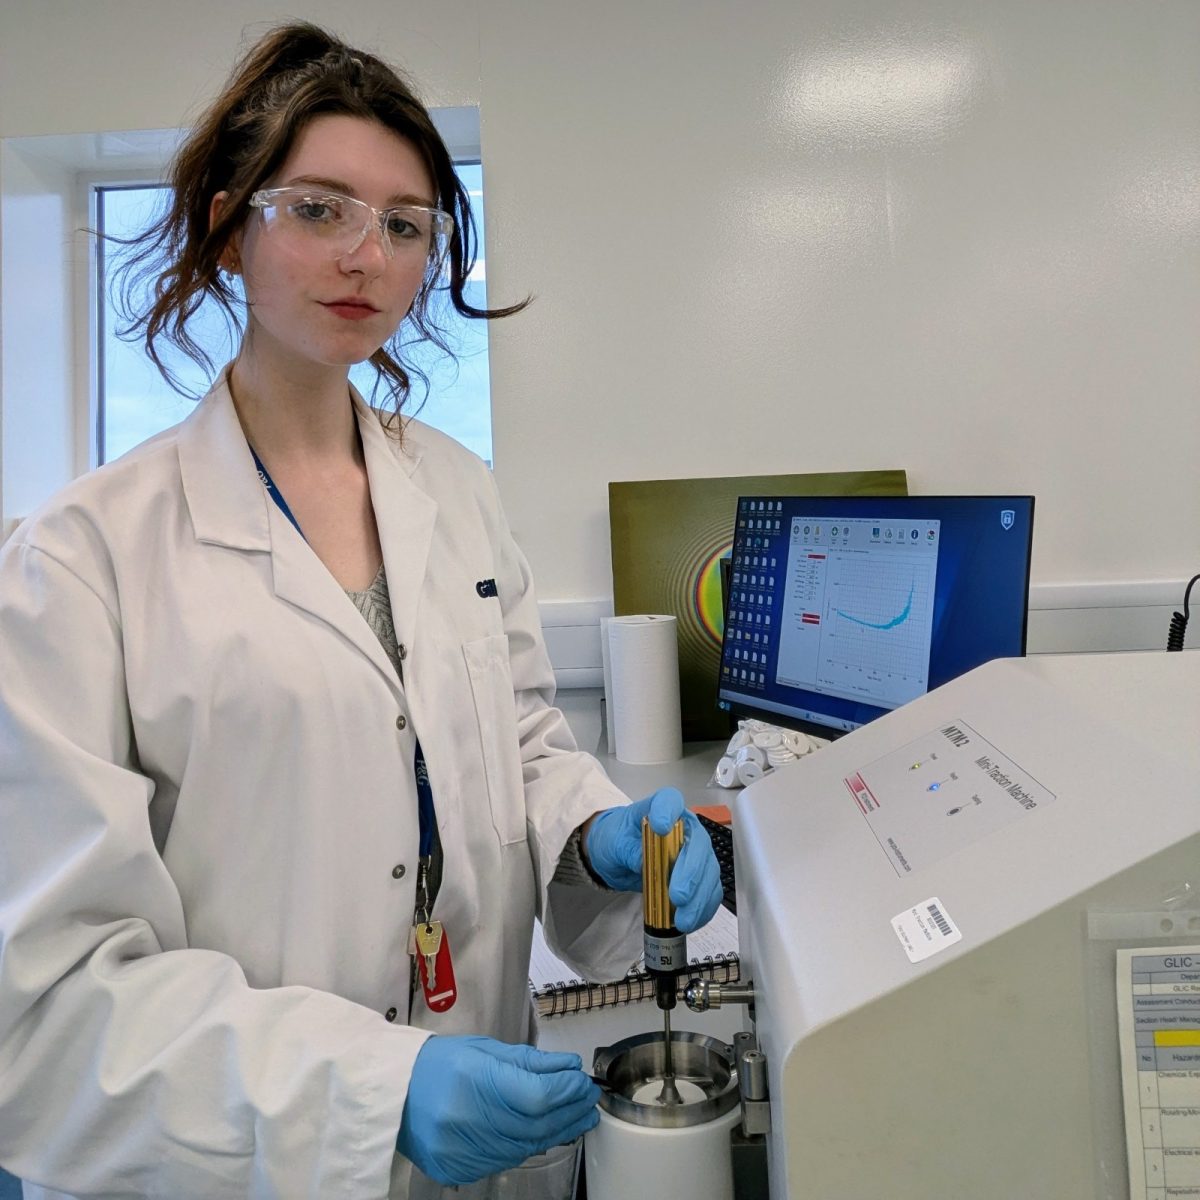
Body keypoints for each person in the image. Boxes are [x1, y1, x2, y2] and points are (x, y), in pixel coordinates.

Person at [0, 22, 722, 1200]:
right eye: (319, 209)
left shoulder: (450, 488)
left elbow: (520, 740)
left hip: (487, 1144)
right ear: (232, 226)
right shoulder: (82, 559)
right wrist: (371, 1092)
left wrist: (594, 838)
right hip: (241, 1164)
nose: (367, 257)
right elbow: (49, 1001)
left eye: (404, 224)